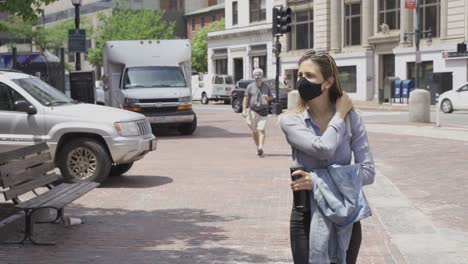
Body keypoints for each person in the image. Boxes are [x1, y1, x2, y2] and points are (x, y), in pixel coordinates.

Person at [280, 50, 375, 264]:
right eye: (300, 75)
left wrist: (316, 181)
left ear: (328, 82)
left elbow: (368, 173)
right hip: (306, 217)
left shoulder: (352, 119)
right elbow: (323, 149)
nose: (302, 81)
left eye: (310, 76)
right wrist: (339, 115)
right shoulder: (290, 121)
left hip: (345, 215)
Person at [243, 68, 274, 156]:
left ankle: (261, 147)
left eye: (260, 74)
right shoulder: (250, 86)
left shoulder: (266, 86)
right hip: (252, 111)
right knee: (254, 131)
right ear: (253, 76)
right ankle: (257, 146)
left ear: (262, 75)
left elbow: (271, 97)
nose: (258, 76)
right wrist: (243, 109)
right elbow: (246, 98)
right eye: (256, 74)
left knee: (261, 129)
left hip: (263, 111)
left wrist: (267, 98)